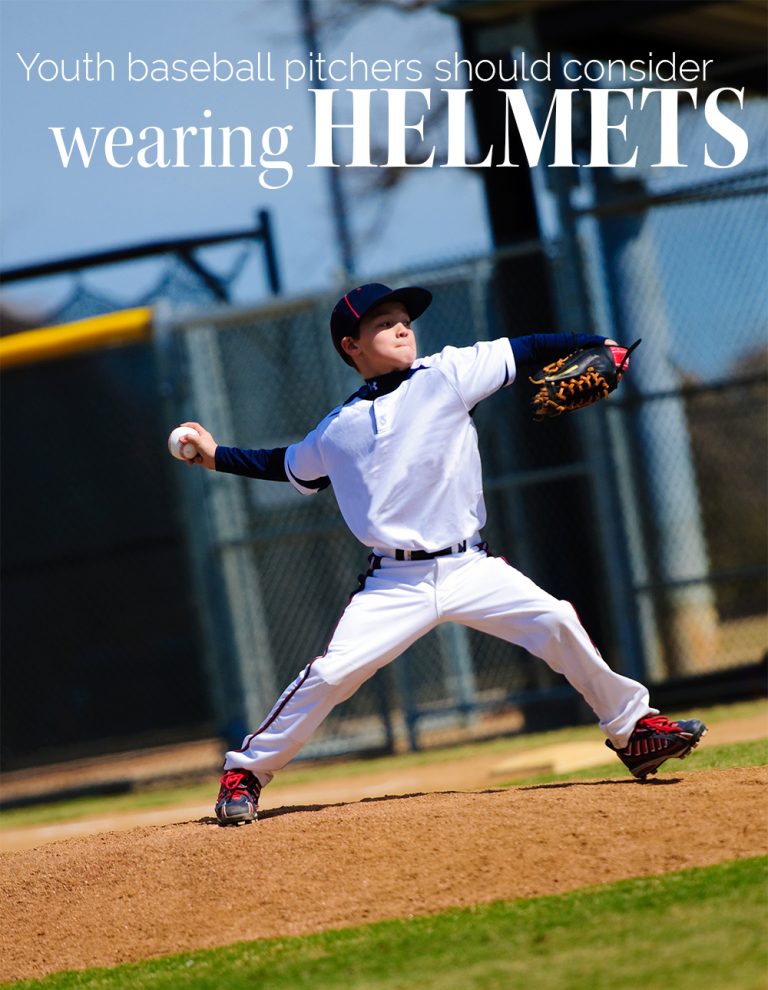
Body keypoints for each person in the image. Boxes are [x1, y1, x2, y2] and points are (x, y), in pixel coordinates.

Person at [176, 282, 707, 826]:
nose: (401, 328)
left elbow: (527, 347)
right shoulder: (337, 430)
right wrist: (216, 456)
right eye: (383, 323)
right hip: (393, 583)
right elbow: (284, 463)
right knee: (332, 675)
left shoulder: (449, 372)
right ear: (351, 346)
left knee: (556, 620)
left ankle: (634, 731)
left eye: (404, 319)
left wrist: (600, 343)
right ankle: (245, 773)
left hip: (470, 566)